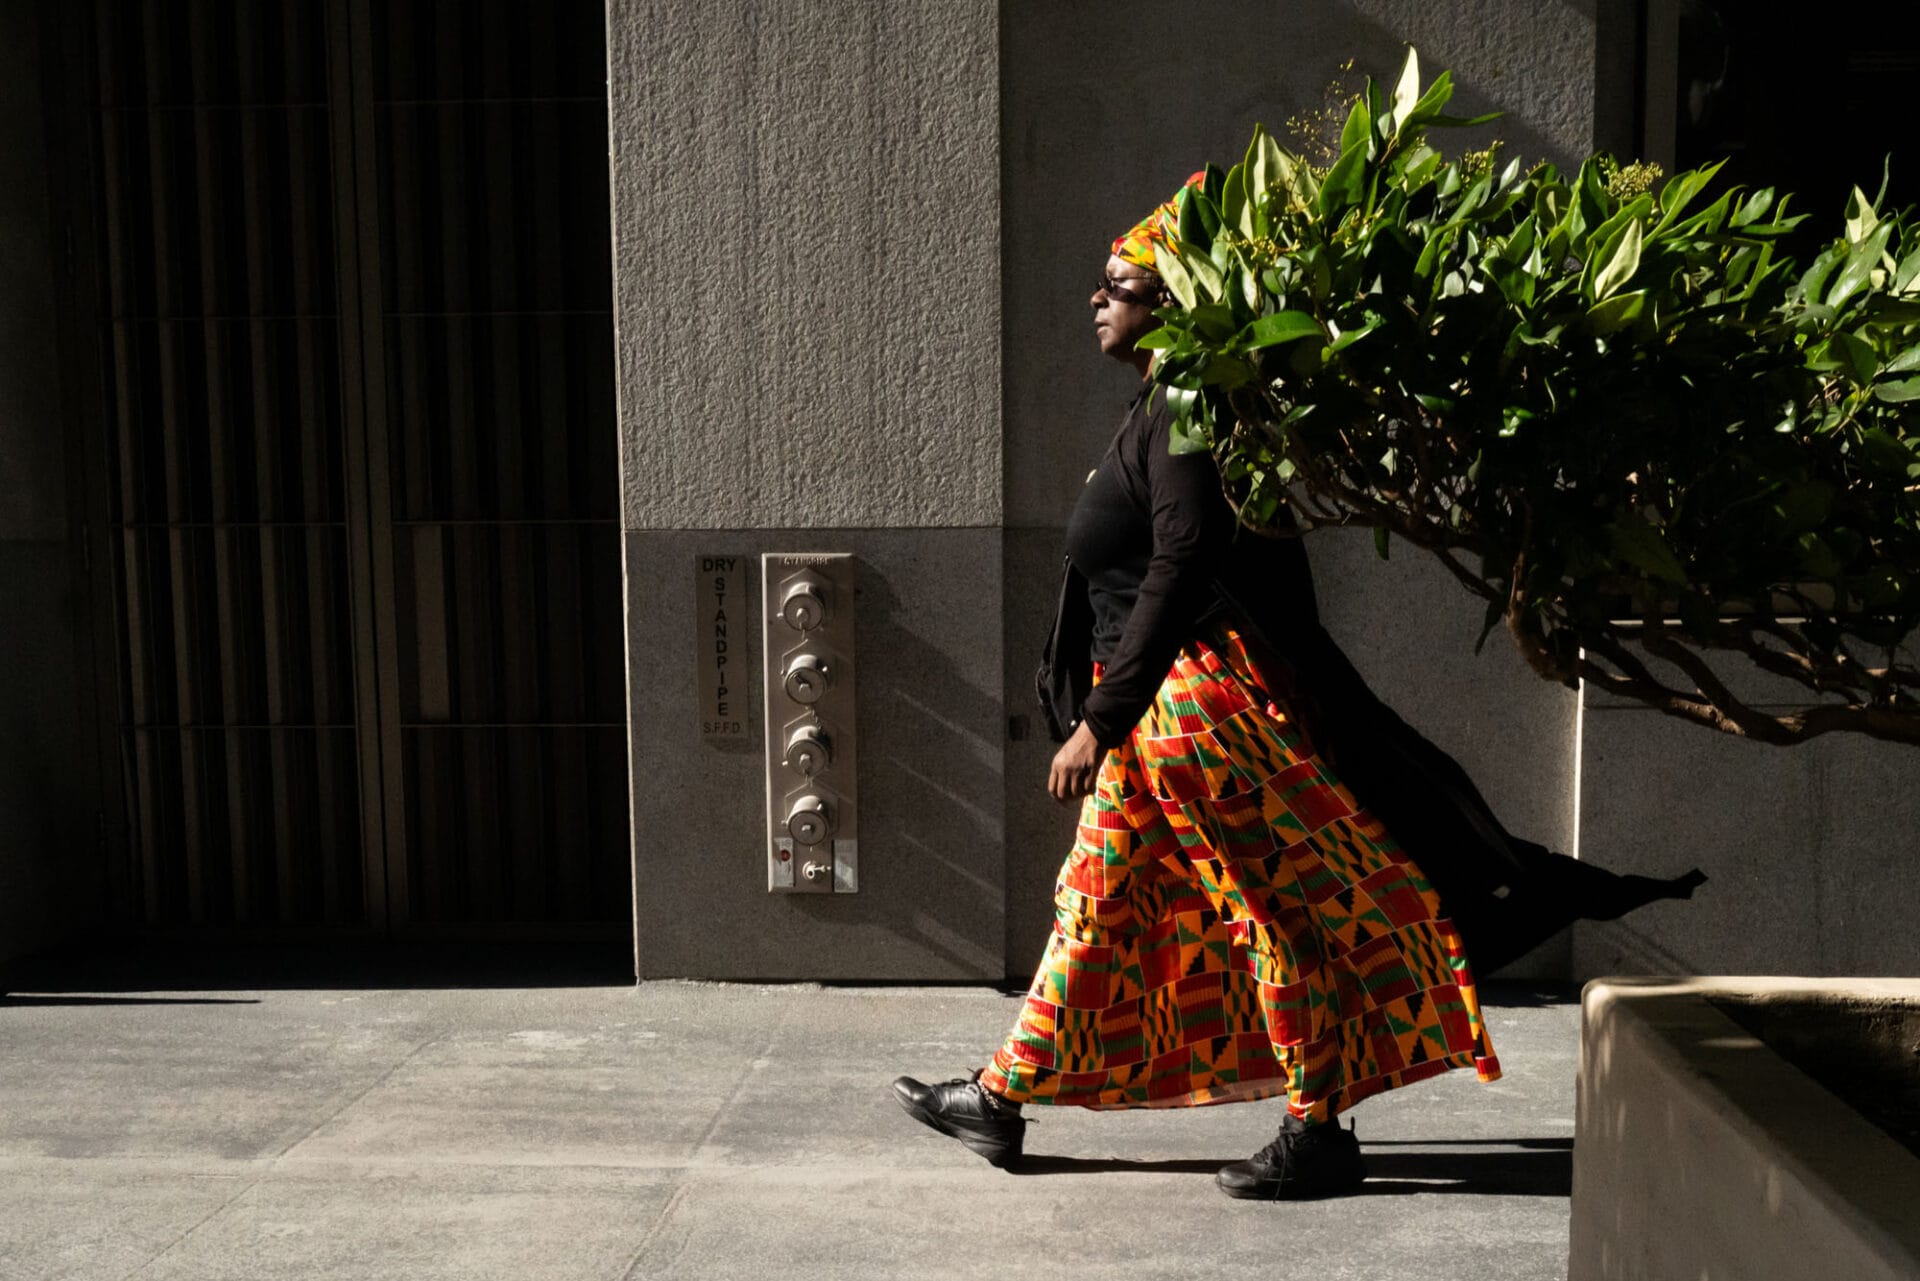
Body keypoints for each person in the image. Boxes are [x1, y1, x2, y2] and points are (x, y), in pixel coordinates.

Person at [892, 174, 1703, 1200]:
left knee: (1270, 916)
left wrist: (1101, 720)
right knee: (1092, 904)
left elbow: (1182, 564)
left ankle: (1318, 1130)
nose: (1098, 299)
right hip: (1156, 716)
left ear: (1175, 301)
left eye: (1120, 282)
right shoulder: (1161, 404)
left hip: (1189, 715)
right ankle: (1001, 1099)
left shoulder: (1190, 402)